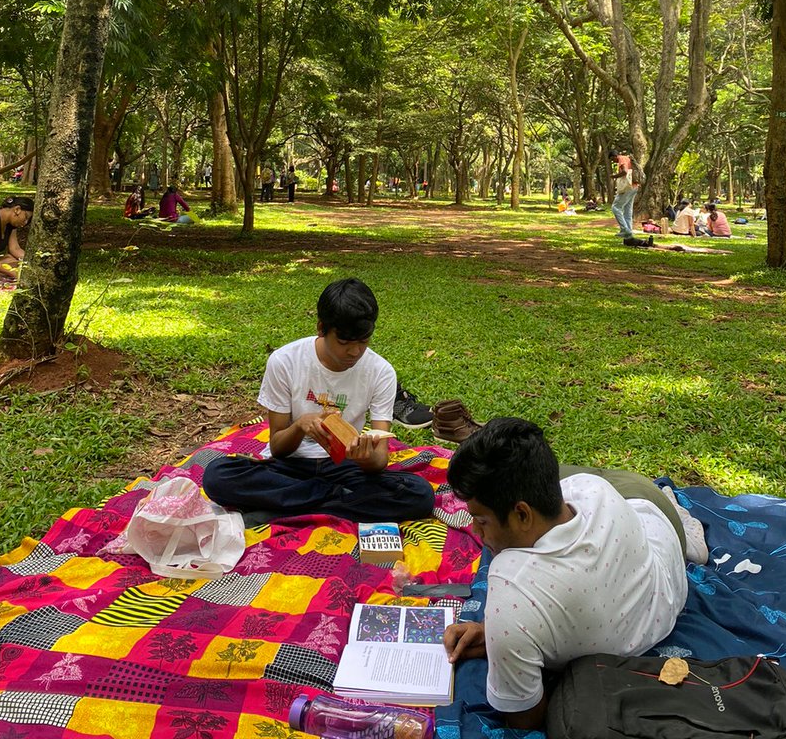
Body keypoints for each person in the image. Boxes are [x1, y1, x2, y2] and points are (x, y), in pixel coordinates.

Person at [442, 418, 699, 729]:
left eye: (480, 521)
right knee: (544, 475)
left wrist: (503, 637)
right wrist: (499, 639)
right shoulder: (590, 489)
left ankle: (687, 521)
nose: (474, 531)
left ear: (522, 514)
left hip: (651, 504)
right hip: (659, 536)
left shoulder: (510, 591)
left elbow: (524, 717)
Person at [203, 278, 435, 522]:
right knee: (217, 476)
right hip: (291, 467)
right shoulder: (285, 361)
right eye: (344, 342)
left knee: (419, 494)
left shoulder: (380, 371)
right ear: (321, 328)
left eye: (364, 342)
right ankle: (338, 501)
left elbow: (380, 460)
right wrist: (301, 425)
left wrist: (366, 458)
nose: (355, 352)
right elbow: (279, 448)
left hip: (345, 467)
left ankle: (285, 507)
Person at [0, 195, 33, 282]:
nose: (24, 223)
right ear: (17, 209)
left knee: (11, 259)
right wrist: (12, 273)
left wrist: (31, 262)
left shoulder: (11, 225)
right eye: (26, 218)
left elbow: (15, 249)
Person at [608, 147, 639, 241]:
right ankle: (629, 234)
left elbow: (625, 172)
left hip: (627, 187)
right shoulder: (627, 158)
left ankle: (624, 229)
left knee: (615, 207)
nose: (613, 161)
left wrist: (614, 176)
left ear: (614, 156)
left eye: (612, 159)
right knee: (627, 211)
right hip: (634, 186)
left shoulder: (621, 159)